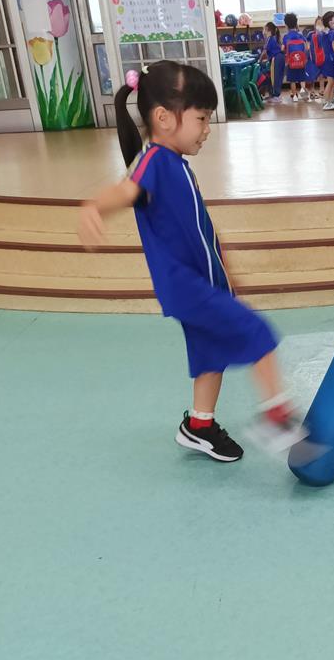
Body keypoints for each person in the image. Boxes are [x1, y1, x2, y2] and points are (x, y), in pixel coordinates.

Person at [77, 60, 305, 462]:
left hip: (203, 282)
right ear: (164, 118)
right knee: (257, 334)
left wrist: (225, 274)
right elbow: (126, 191)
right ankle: (278, 418)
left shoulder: (177, 166)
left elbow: (200, 228)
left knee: (209, 356)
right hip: (184, 284)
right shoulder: (153, 161)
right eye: (201, 118)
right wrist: (94, 206)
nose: (207, 129)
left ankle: (199, 426)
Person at [282, 12, 309, 103]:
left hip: (291, 62)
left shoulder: (286, 37)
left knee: (292, 80)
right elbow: (307, 47)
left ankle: (295, 96)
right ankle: (304, 96)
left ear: (286, 25)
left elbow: (283, 48)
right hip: (301, 61)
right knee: (302, 79)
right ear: (296, 23)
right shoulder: (300, 35)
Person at [259, 22, 284, 103]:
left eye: (264, 29)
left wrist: (259, 60)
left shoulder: (270, 39)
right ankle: (275, 95)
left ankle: (276, 96)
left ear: (267, 30)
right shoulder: (274, 38)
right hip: (280, 58)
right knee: (277, 77)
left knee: (275, 78)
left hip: (276, 59)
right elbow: (273, 51)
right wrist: (267, 60)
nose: (263, 31)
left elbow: (264, 52)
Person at [305, 16, 326, 101]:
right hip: (312, 58)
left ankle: (322, 90)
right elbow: (307, 45)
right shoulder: (310, 34)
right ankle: (312, 91)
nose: (319, 25)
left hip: (322, 58)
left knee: (322, 74)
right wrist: (308, 51)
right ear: (315, 24)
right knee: (312, 76)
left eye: (321, 23)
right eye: (318, 23)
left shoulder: (325, 34)